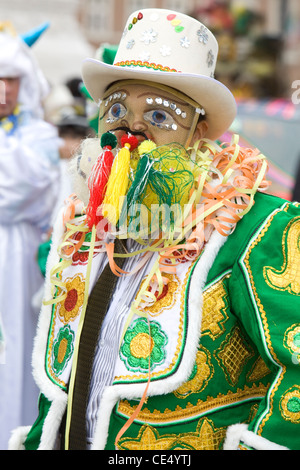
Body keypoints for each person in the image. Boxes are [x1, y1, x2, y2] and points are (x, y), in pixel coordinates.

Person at [9, 9, 300, 451]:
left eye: (160, 116)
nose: (131, 129)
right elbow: (60, 395)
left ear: (199, 132)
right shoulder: (82, 226)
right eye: (117, 108)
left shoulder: (253, 229)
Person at [0, 23, 61, 449]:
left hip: (17, 257)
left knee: (16, 348)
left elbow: (31, 191)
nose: (3, 90)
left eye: (11, 80)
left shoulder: (39, 136)